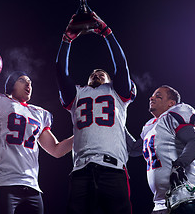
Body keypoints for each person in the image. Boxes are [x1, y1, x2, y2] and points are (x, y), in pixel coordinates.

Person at [0, 70, 74, 214]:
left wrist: (83, 133)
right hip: (4, 182)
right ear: (11, 84)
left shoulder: (39, 113)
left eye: (30, 82)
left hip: (32, 187)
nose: (28, 84)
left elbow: (57, 150)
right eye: (23, 80)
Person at [56, 11, 136, 214]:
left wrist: (107, 33)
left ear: (111, 80)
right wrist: (66, 40)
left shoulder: (118, 93)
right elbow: (60, 71)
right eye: (93, 73)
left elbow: (121, 64)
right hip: (81, 170)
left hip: (113, 168)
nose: (96, 73)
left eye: (102, 73)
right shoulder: (77, 93)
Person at [137, 85, 195, 214]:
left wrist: (179, 165)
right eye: (152, 95)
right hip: (160, 203)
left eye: (158, 96)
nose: (151, 98)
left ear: (171, 103)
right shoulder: (149, 127)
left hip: (184, 196)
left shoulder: (175, 113)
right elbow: (132, 148)